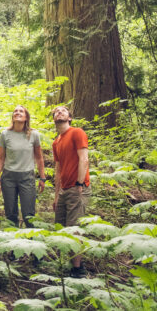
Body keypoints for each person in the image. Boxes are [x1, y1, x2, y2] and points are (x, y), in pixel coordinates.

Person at [51, 105, 90, 277]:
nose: (59, 112)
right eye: (56, 111)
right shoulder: (56, 142)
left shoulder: (77, 132)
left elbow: (84, 159)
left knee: (74, 227)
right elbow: (58, 169)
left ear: (69, 117)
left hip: (77, 187)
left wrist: (79, 183)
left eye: (63, 111)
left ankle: (78, 267)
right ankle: (67, 263)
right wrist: (56, 194)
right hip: (63, 190)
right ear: (53, 119)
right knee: (61, 228)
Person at [0, 105, 45, 227]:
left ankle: (31, 241)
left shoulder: (34, 134)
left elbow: (39, 157)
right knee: (10, 213)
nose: (17, 112)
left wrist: (42, 178)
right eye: (15, 111)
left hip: (27, 177)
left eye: (21, 111)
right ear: (12, 117)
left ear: (26, 117)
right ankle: (12, 242)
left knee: (29, 214)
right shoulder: (5, 134)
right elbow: (0, 157)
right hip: (8, 177)